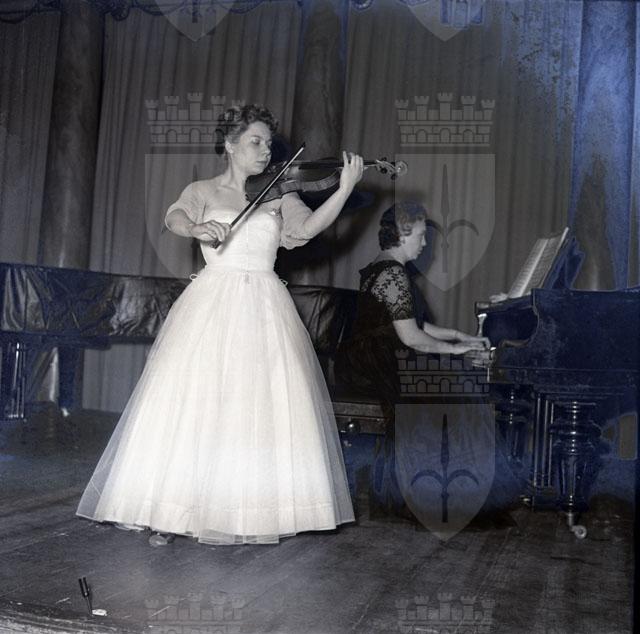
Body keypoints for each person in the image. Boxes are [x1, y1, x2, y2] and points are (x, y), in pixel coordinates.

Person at [76, 104, 363, 545]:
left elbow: (305, 230)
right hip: (212, 302)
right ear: (230, 144)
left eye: (268, 144)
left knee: (254, 408)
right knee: (195, 403)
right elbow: (174, 217)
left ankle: (241, 512)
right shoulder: (203, 190)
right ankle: (170, 512)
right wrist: (196, 227)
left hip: (265, 305)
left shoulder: (278, 195)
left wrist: (343, 190)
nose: (265, 151)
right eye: (255, 141)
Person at [336, 201, 489, 519]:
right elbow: (411, 337)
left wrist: (459, 337)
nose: (424, 242)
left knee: (450, 378)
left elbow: (414, 324)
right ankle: (438, 496)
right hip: (377, 364)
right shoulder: (394, 273)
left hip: (369, 358)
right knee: (457, 386)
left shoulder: (383, 266)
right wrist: (458, 351)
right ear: (402, 234)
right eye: (420, 235)